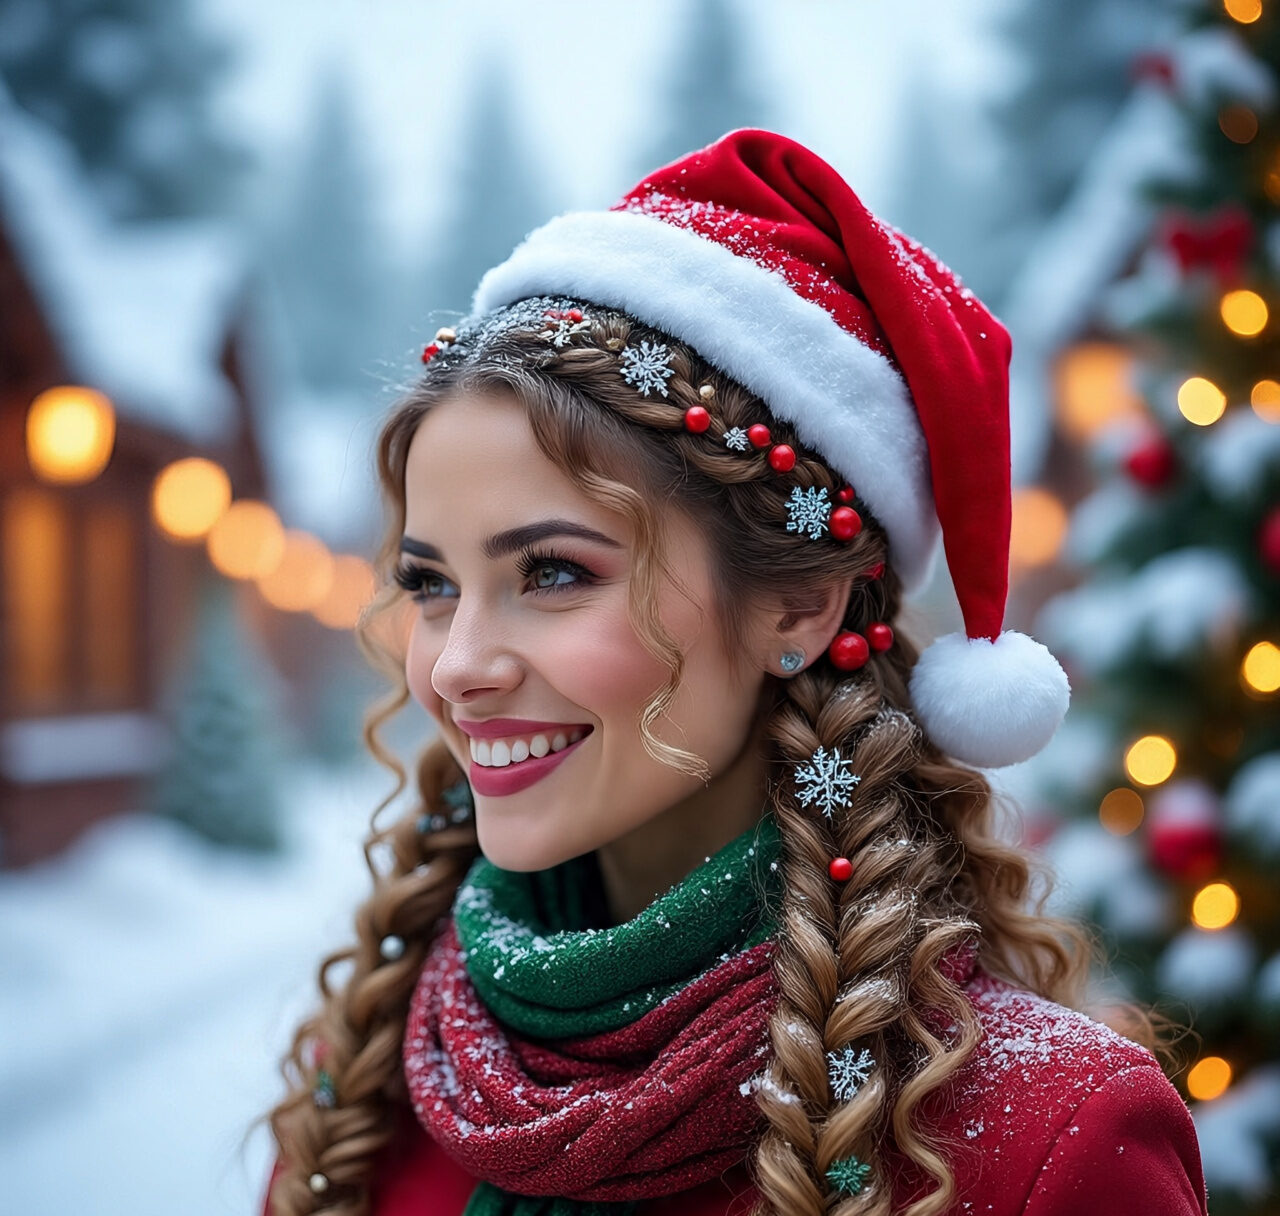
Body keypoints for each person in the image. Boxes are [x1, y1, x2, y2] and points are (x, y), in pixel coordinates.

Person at [257, 129, 1208, 1216]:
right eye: (431, 584)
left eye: (554, 572)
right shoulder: (382, 1063)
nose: (458, 665)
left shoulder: (1051, 1141)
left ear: (799, 605)